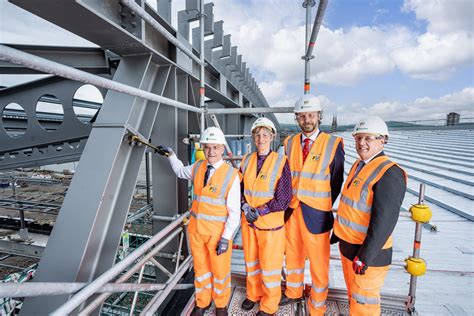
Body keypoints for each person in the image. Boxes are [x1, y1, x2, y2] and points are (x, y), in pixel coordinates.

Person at [156, 127, 240, 316]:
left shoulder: (231, 175)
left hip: (218, 234)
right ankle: (202, 302)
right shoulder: (198, 167)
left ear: (222, 149)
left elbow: (235, 212)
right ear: (203, 148)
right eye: (207, 147)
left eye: (215, 148)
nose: (211, 152)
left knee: (220, 271)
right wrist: (171, 155)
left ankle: (221, 305)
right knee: (201, 269)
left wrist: (226, 238)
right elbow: (179, 171)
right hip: (196, 230)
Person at [332, 116, 407, 315]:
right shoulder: (359, 165)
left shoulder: (390, 173)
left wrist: (365, 256)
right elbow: (351, 205)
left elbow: (384, 222)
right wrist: (338, 233)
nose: (361, 143)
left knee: (365, 305)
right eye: (358, 138)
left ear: (383, 140)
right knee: (355, 299)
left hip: (366, 256)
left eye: (368, 138)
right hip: (349, 247)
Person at [281, 94, 345, 315]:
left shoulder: (333, 143)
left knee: (319, 264)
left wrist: (322, 203)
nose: (306, 119)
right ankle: (293, 292)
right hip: (292, 211)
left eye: (310, 115)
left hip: (317, 214)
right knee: (293, 256)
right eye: (302, 116)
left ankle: (317, 306)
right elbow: (286, 177)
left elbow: (336, 181)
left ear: (319, 116)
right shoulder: (289, 143)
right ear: (297, 118)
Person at [239, 117, 292, 316]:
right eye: (257, 135)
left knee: (270, 268)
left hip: (270, 227)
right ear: (253, 137)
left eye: (265, 135)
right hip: (249, 225)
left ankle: (269, 305)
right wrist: (244, 206)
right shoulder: (246, 160)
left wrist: (260, 211)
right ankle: (253, 295)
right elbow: (240, 189)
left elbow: (284, 198)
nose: (261, 139)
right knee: (251, 263)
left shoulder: (281, 162)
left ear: (272, 137)